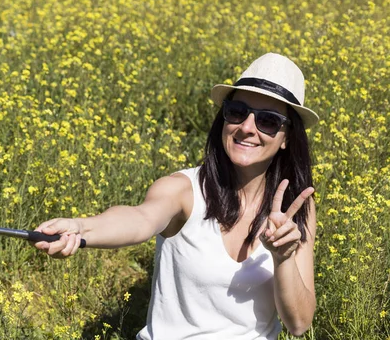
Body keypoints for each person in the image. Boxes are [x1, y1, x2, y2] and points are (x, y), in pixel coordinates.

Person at [33, 52, 318, 340]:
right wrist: (81, 227)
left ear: (287, 137)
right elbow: (140, 218)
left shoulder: (295, 207)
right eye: (237, 111)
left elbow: (299, 323)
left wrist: (284, 259)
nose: (246, 127)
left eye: (267, 121)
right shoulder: (184, 190)